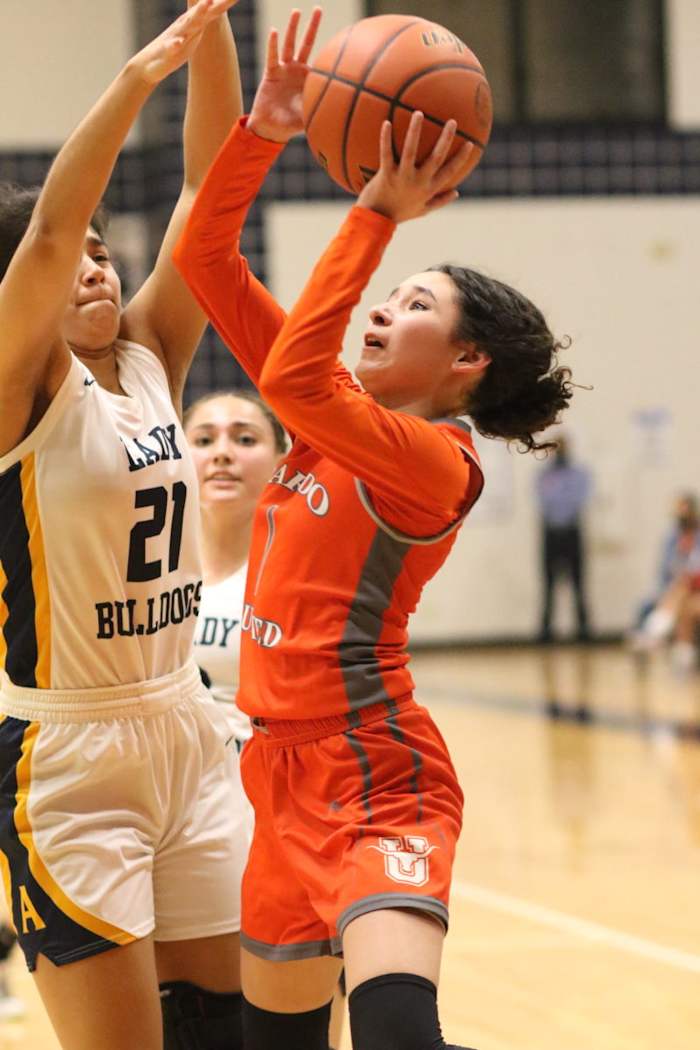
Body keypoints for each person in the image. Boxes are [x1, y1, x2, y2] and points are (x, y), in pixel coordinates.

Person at [173, 9, 574, 1049]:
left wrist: (376, 215)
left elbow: (297, 374)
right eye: (388, 296)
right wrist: (260, 130)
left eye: (411, 301)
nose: (382, 310)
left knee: (397, 1031)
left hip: (374, 777)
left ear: (466, 361)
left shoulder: (435, 461)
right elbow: (206, 258)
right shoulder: (328, 422)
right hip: (276, 774)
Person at [0, 4, 249, 1049]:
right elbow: (51, 231)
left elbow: (210, 189)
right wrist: (136, 80)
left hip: (186, 726)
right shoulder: (15, 389)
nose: (96, 264)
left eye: (110, 252)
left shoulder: (150, 354)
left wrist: (213, 27)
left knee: (223, 1034)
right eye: (80, 260)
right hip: (69, 753)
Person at [184, 389, 348, 1050]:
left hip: (281, 818)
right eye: (204, 437)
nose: (223, 451)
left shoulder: (306, 561)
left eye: (246, 437)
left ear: (282, 456)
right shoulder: (143, 566)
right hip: (182, 818)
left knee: (292, 1033)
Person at [631, 492, 700, 671]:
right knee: (675, 597)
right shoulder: (671, 538)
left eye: (685, 512)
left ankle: (655, 632)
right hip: (677, 591)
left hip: (693, 588)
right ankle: (681, 651)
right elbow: (664, 573)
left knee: (684, 590)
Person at [534, 434, 592, 642]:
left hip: (571, 531)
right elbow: (543, 501)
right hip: (550, 533)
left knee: (579, 583)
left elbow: (579, 499)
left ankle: (584, 630)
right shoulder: (544, 476)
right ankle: (545, 631)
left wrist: (563, 509)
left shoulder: (579, 474)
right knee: (548, 584)